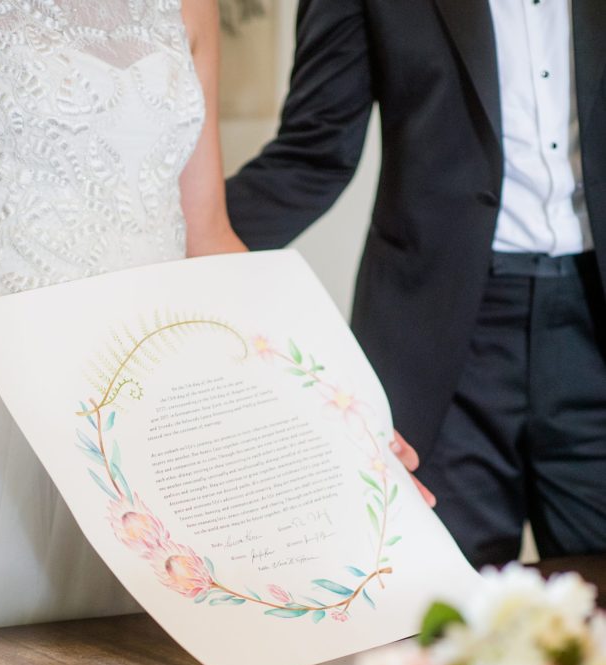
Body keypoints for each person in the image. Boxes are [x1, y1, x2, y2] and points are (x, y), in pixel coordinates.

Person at [227, 0, 606, 569]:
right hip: (439, 341)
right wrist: (172, 246)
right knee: (447, 592)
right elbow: (312, 153)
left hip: (593, 323)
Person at [0, 0, 247, 635]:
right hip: (4, 396)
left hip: (161, 396)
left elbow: (209, 233)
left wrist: (327, 395)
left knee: (167, 664)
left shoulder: (191, 6)